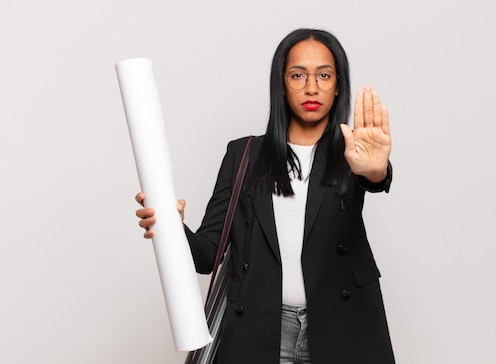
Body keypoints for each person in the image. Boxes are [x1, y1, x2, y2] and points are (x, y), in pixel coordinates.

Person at [135, 28, 395, 364]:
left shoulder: (353, 154)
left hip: (340, 324)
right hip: (261, 327)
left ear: (339, 85)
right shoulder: (244, 155)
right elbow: (207, 256)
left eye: (324, 75)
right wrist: (172, 226)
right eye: (298, 75)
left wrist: (375, 169)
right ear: (281, 84)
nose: (311, 87)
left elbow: (374, 178)